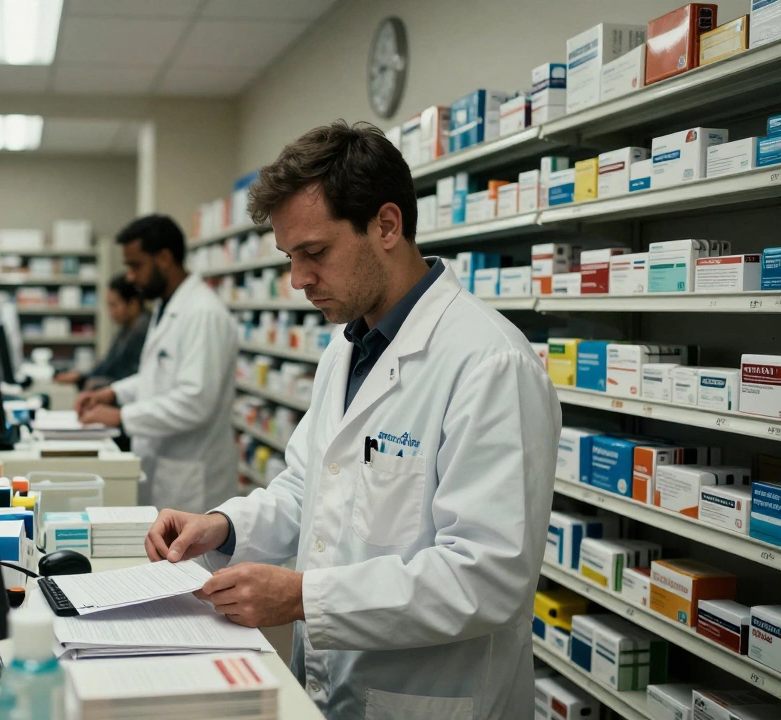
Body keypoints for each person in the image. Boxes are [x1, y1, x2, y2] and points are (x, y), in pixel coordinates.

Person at [144, 121, 561, 719]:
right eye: (291, 257)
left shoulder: (490, 362)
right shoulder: (349, 347)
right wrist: (223, 527)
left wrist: (304, 596)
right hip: (328, 688)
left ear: (386, 225)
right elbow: (307, 487)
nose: (299, 280)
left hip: (428, 700)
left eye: (315, 253)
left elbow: (488, 577)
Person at [75, 215, 238, 513]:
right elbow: (157, 375)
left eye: (136, 265)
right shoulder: (167, 306)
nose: (130, 277)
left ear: (164, 257)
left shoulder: (203, 313)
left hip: (192, 478)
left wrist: (121, 416)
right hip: (163, 465)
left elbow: (195, 401)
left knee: (191, 559)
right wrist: (113, 393)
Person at [55, 273, 150, 390]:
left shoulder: (142, 330)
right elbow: (108, 364)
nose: (110, 311)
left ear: (133, 303)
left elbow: (127, 376)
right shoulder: (127, 328)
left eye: (114, 305)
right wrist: (81, 376)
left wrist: (90, 381)